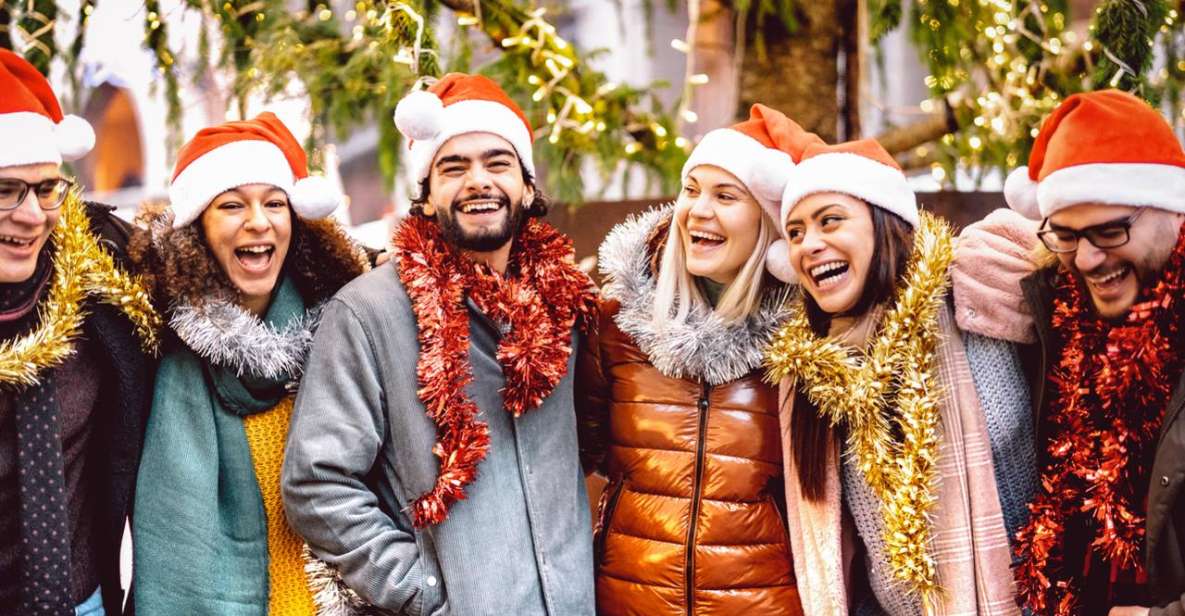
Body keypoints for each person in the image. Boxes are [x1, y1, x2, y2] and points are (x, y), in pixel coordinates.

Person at [281, 73, 598, 615]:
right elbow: (317, 483)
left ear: (526, 187)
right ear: (426, 199)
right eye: (453, 167)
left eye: (497, 163)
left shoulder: (566, 307)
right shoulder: (368, 313)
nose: (479, 181)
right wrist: (423, 592)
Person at [766, 138, 1037, 615]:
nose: (810, 243)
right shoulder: (811, 374)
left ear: (883, 222)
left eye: (830, 220)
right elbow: (847, 554)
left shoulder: (967, 294)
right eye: (795, 232)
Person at [575, 105, 815, 616]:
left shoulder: (806, 340)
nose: (698, 211)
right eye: (691, 190)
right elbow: (581, 457)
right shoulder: (617, 324)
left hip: (766, 603)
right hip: (628, 599)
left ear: (768, 226)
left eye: (726, 196)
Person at [128, 112, 369, 615]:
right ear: (197, 232)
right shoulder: (159, 349)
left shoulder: (343, 330)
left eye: (275, 203)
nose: (258, 221)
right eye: (232, 205)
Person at [1002, 89, 1185, 616]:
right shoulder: (1053, 324)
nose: (1086, 258)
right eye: (1067, 235)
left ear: (1174, 213)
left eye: (1110, 230)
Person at [0, 48, 160, 616]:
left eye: (46, 189)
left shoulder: (99, 271)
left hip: (84, 602)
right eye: (4, 191)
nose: (31, 215)